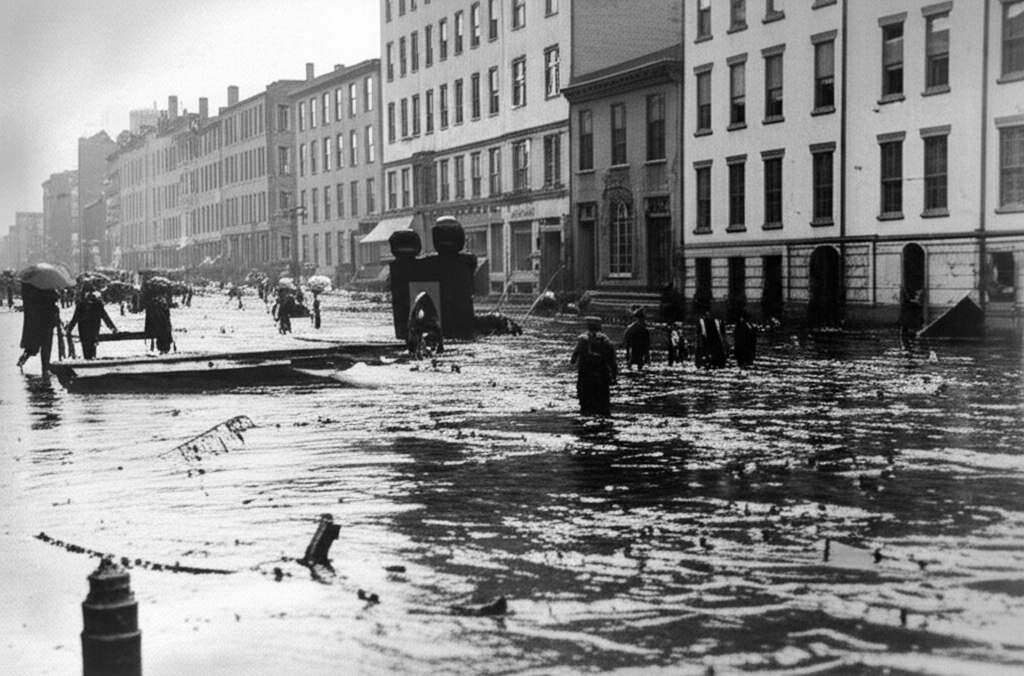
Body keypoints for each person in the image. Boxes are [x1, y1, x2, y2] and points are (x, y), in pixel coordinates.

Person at [570, 316, 618, 416]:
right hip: (601, 377)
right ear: (599, 327)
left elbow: (573, 359)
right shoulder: (605, 341)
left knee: (585, 405)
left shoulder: (582, 340)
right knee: (603, 406)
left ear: (588, 327)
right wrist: (614, 376)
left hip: (585, 377)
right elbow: (612, 360)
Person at [17, 283, 61, 376]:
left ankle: (24, 357)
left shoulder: (32, 288)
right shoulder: (47, 287)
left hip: (37, 323)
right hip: (48, 323)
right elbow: (53, 299)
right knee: (46, 347)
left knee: (34, 344)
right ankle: (45, 368)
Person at [67, 291, 118, 360]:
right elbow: (105, 316)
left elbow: (75, 317)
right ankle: (91, 358)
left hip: (83, 328)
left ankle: (88, 358)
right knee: (92, 344)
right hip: (94, 327)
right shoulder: (97, 304)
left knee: (86, 345)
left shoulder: (82, 304)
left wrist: (69, 328)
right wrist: (112, 327)